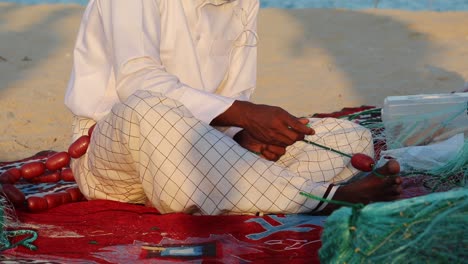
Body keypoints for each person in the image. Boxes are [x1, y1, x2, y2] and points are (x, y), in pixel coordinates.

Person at [64, 0, 402, 215]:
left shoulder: (243, 2)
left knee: (349, 139)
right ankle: (323, 198)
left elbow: (233, 94)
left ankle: (221, 193)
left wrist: (242, 136)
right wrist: (245, 115)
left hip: (201, 152)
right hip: (118, 159)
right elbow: (137, 81)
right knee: (150, 107)